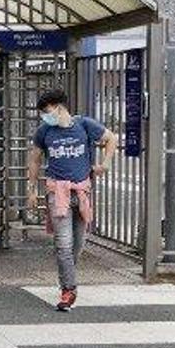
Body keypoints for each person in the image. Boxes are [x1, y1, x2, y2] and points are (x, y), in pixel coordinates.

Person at [27, 88, 118, 311]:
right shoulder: (44, 131)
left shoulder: (84, 125)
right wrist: (31, 189)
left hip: (81, 192)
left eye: (48, 112)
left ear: (59, 107)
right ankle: (69, 289)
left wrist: (105, 164)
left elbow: (111, 138)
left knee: (77, 245)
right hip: (56, 193)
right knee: (63, 244)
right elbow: (35, 159)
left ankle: (68, 277)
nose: (45, 117)